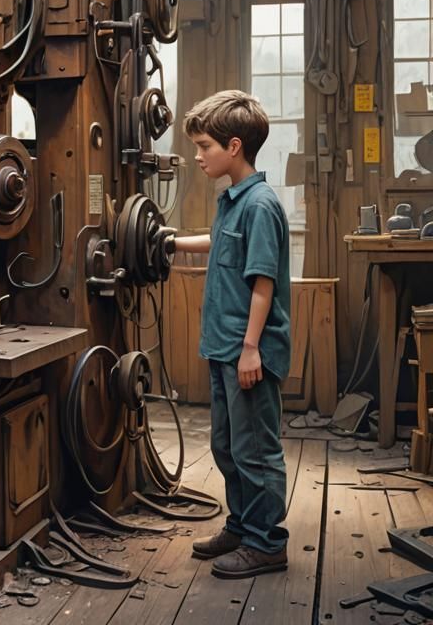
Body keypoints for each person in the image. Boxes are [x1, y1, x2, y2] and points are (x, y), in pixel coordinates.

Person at [170, 90, 291, 578]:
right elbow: (217, 241)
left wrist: (250, 349)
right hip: (223, 348)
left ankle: (267, 543)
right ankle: (241, 527)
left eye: (204, 146)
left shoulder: (260, 205)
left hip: (248, 352)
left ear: (234, 146)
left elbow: (263, 284)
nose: (198, 156)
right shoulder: (233, 201)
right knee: (227, 445)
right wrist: (169, 241)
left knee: (255, 450)